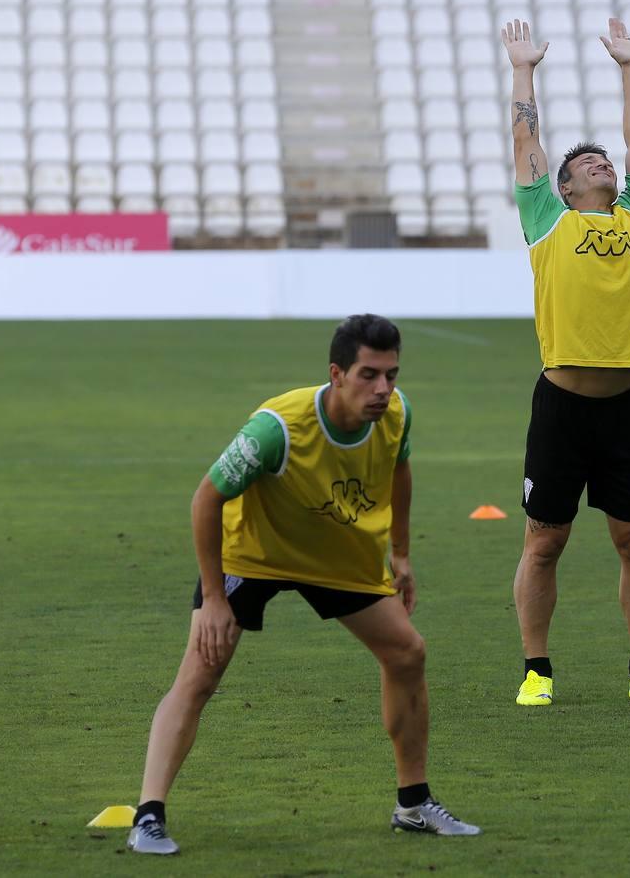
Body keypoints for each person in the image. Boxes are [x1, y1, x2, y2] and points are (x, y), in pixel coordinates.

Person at [126, 315, 479, 855]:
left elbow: (399, 470)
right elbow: (206, 498)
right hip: (253, 555)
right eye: (368, 375)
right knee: (200, 673)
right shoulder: (277, 428)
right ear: (336, 374)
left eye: (391, 374)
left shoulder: (396, 414)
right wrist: (215, 600)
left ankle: (413, 805)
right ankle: (147, 816)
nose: (383, 389)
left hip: (338, 555)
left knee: (408, 653)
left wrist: (401, 554)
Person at [500, 18, 630, 706]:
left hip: (625, 408)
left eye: (604, 163)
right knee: (544, 544)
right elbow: (525, 141)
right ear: (564, 189)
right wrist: (523, 71)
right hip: (561, 407)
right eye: (585, 165)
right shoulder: (548, 219)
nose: (602, 165)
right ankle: (537, 672)